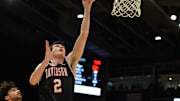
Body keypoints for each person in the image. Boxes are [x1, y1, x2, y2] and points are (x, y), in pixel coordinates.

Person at [29, 0, 96, 101]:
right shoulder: (44, 66)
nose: (60, 47)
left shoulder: (69, 62)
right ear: (50, 53)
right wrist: (45, 61)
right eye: (57, 46)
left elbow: (84, 34)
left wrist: (87, 9)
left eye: (62, 47)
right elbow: (33, 81)